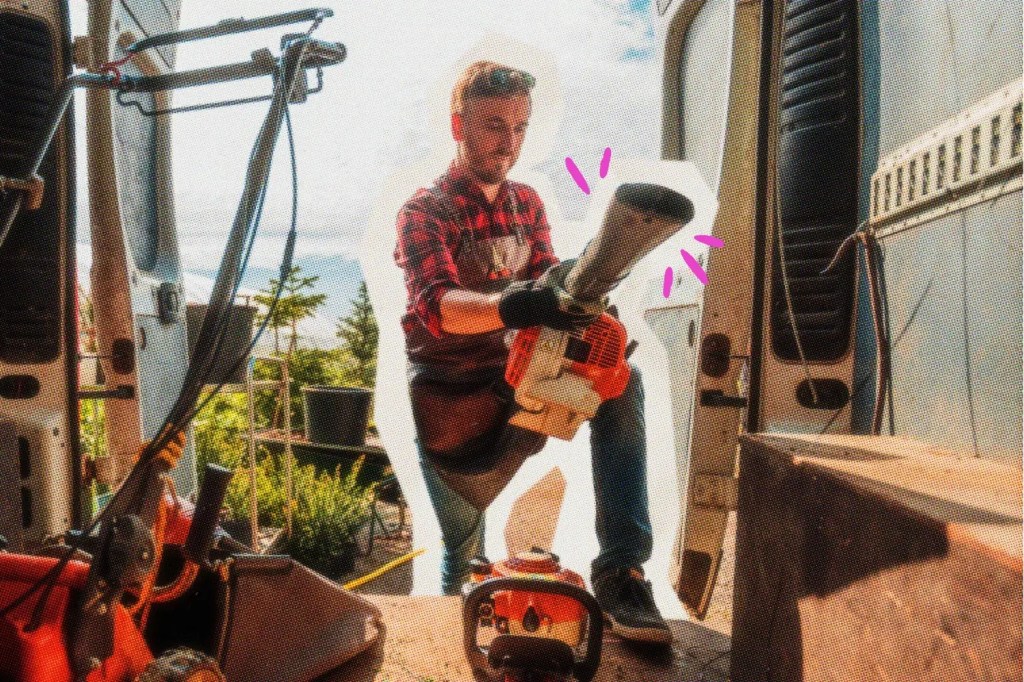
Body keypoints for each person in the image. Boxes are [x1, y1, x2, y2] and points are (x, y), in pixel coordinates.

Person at [393, 60, 671, 643]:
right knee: (464, 551)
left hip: (522, 378)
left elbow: (550, 282)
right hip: (453, 399)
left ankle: (622, 569)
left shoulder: (527, 204)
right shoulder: (426, 210)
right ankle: (457, 647)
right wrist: (518, 305)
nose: (509, 141)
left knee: (624, 380)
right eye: (494, 124)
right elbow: (438, 306)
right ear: (458, 123)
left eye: (519, 126)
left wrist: (585, 313)